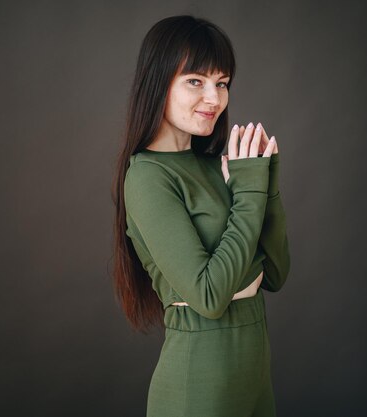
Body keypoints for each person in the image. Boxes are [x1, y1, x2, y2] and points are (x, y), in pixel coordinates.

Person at [111, 15, 291, 417]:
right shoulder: (146, 177)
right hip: (200, 383)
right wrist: (247, 194)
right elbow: (209, 296)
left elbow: (276, 274)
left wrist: (266, 184)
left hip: (255, 376)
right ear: (158, 81)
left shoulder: (215, 165)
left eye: (222, 83)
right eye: (196, 80)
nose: (214, 98)